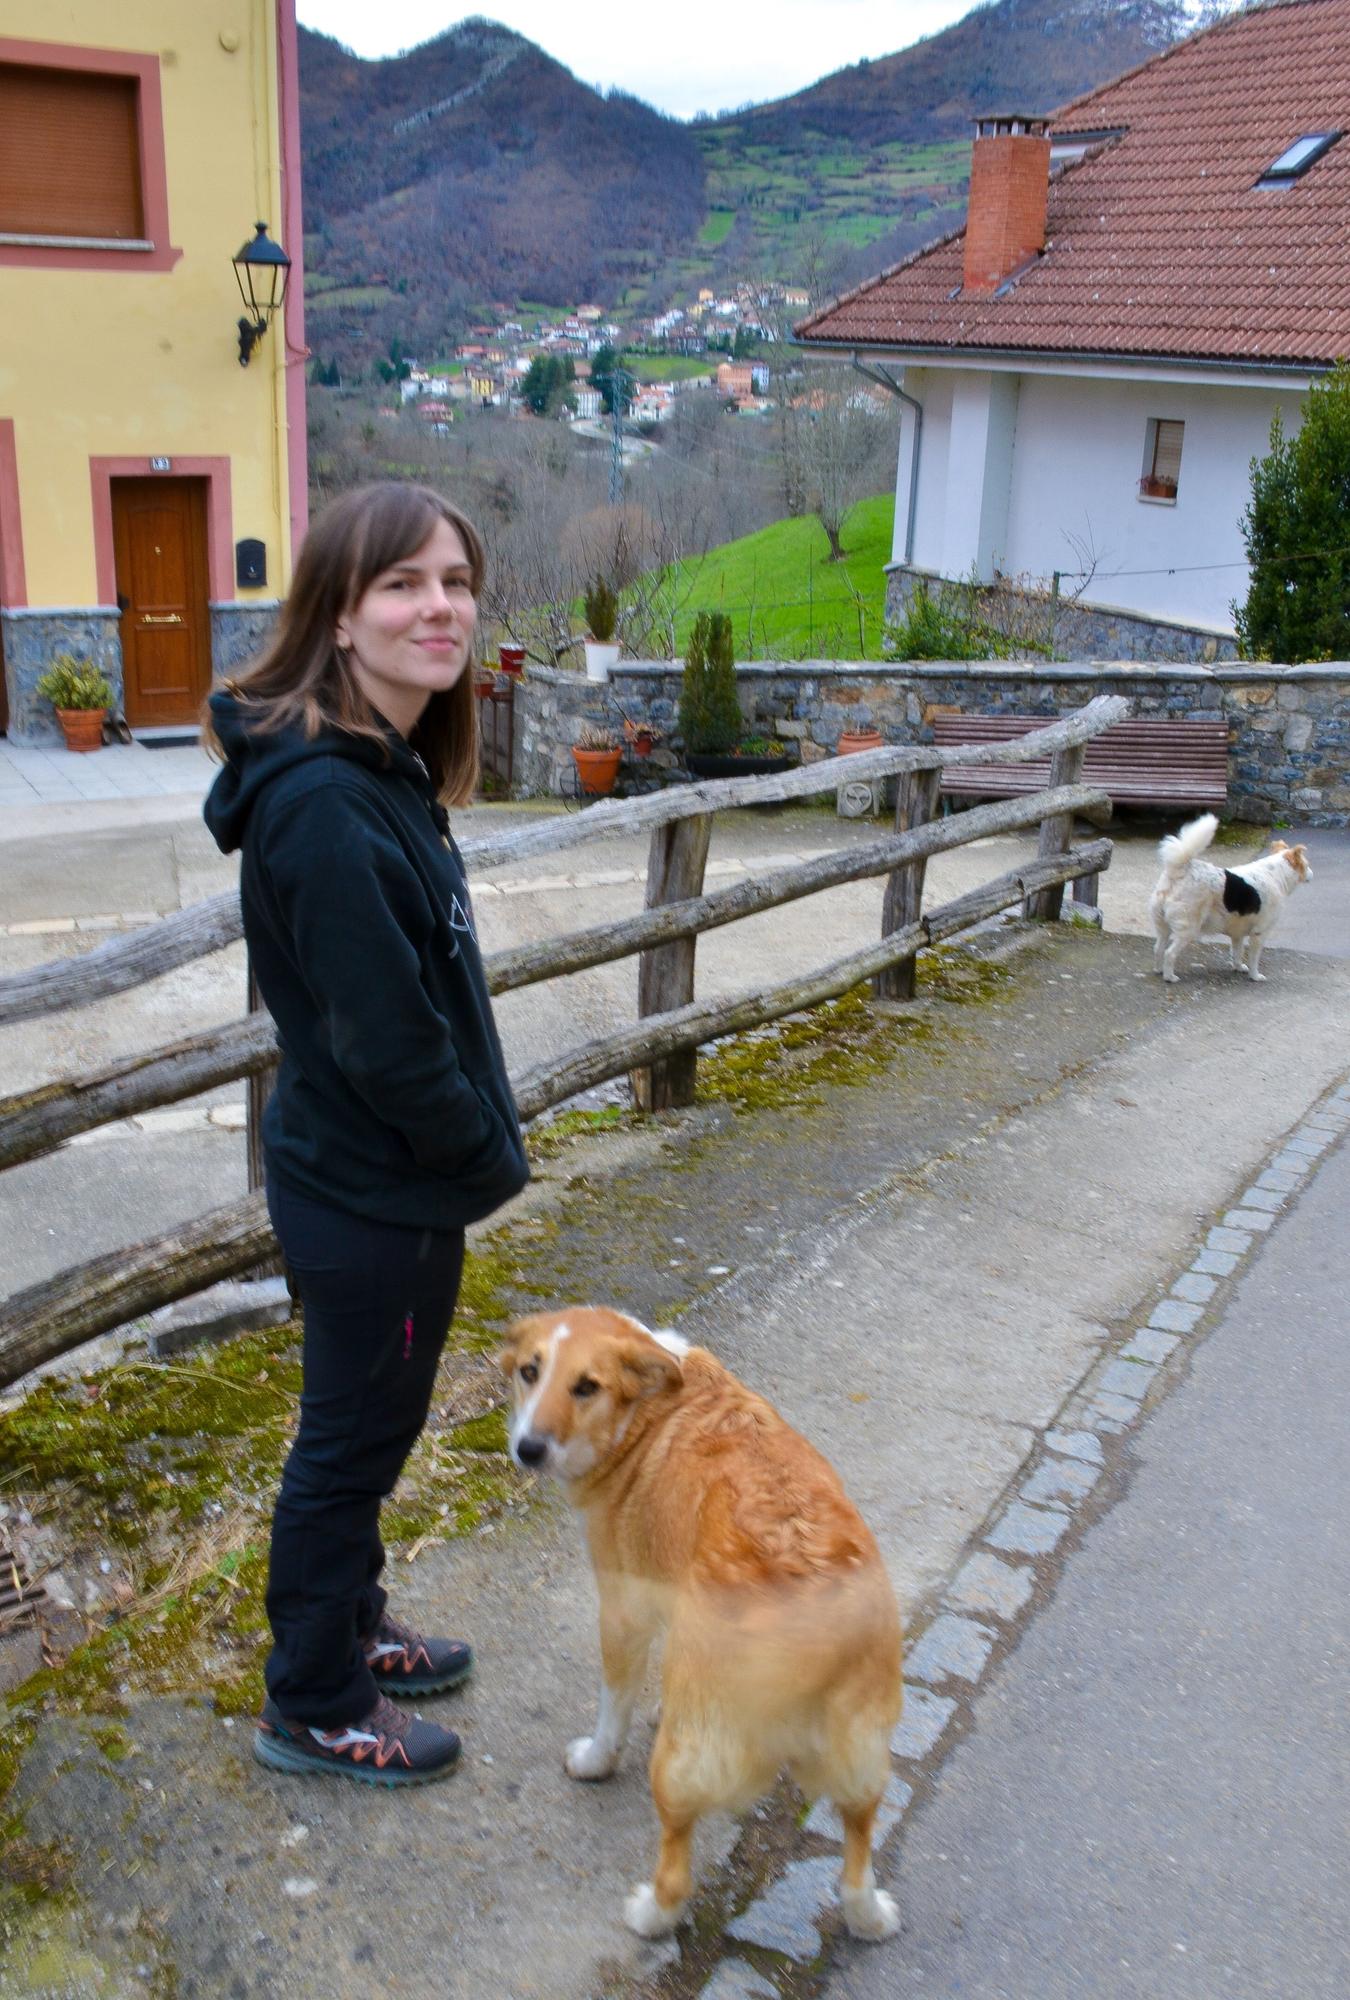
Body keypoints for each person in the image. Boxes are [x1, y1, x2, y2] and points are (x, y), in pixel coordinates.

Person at [202, 482, 528, 1788]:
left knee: (371, 1433)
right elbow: (389, 1043)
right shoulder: (327, 807)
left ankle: (350, 1621)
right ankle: (314, 1700)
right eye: (401, 583)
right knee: (347, 1448)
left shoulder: (377, 768)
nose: (438, 607)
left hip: (380, 1183)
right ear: (338, 615)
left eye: (454, 579)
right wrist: (482, 1156)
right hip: (372, 1194)